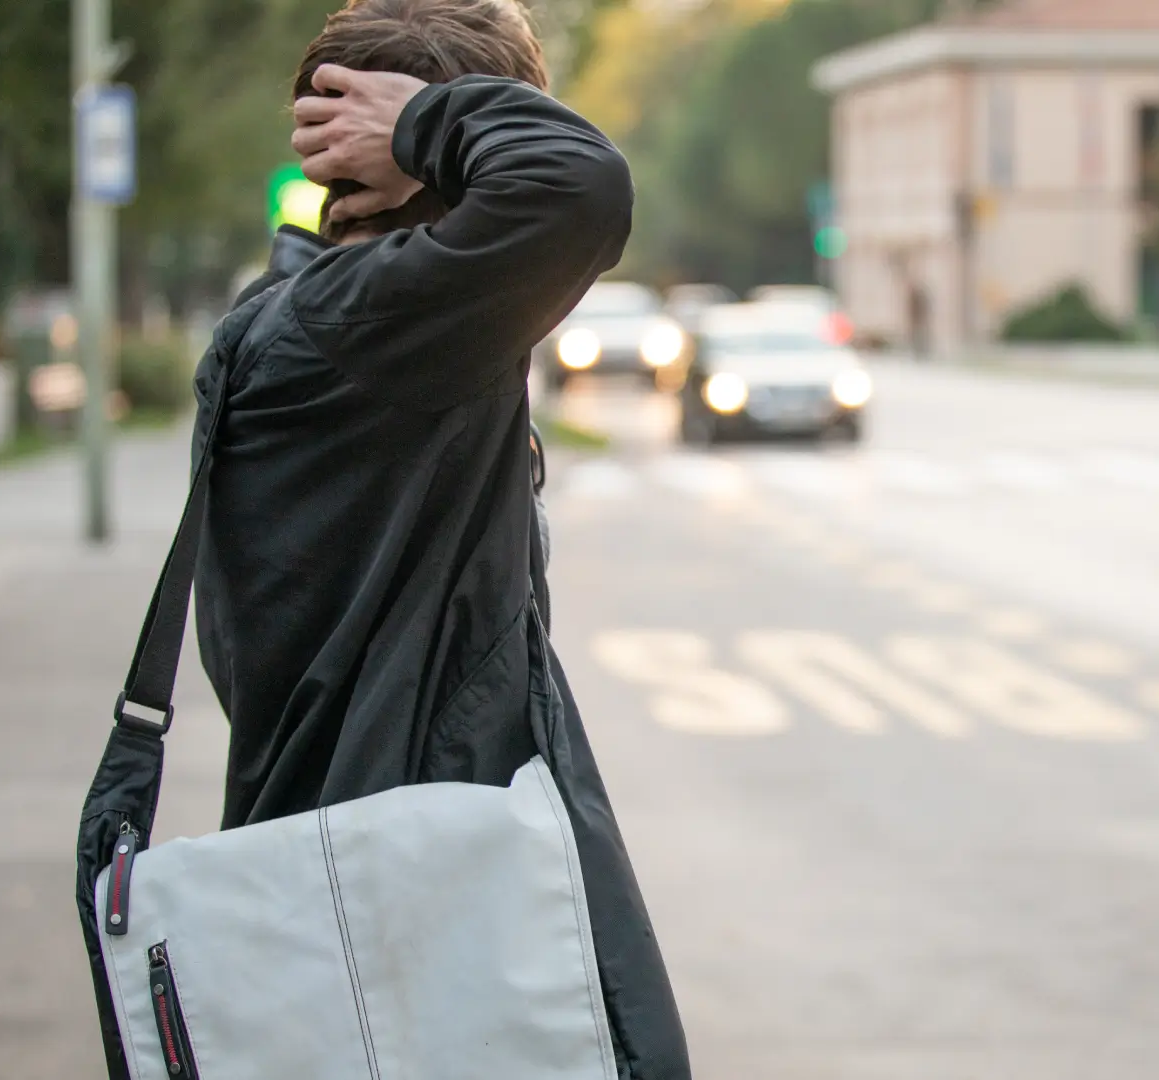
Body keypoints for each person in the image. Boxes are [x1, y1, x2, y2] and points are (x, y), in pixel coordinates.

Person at [188, 1, 689, 1075]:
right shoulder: (371, 332)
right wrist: (427, 124)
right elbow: (579, 187)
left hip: (374, 875)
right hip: (414, 907)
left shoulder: (318, 318)